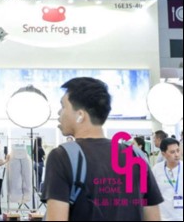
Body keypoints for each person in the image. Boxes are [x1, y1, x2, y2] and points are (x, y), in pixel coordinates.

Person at [43, 77, 163, 221]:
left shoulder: (62, 156)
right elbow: (153, 216)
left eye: (63, 106)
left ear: (80, 115)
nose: (59, 112)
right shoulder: (135, 155)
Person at [153, 138, 182, 222]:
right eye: (172, 152)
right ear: (163, 154)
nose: (177, 154)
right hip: (163, 216)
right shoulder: (156, 169)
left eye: (178, 150)